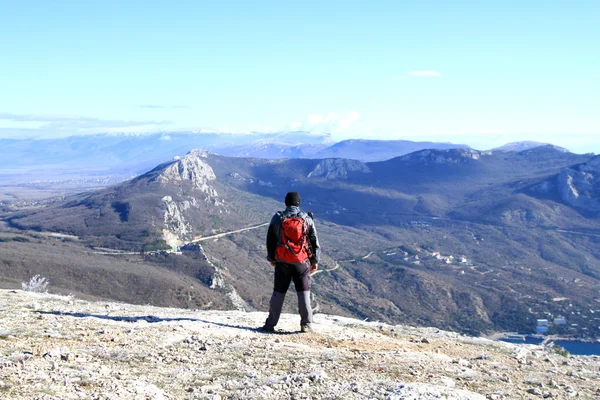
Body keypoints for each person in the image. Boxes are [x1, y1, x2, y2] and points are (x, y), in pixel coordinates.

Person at [263, 192, 320, 333]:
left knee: (278, 293)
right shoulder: (306, 219)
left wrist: (272, 258)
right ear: (298, 203)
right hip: (302, 263)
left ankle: (270, 325)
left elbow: (270, 240)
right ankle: (306, 325)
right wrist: (314, 261)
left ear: (286, 203)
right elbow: (314, 242)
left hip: (282, 262)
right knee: (304, 293)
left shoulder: (277, 218)